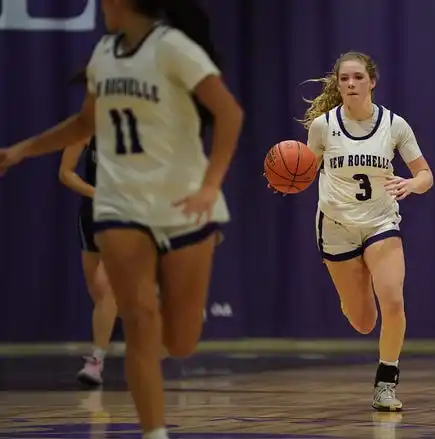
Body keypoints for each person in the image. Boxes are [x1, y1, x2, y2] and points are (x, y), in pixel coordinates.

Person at [0, 1, 244, 438]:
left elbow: (229, 113)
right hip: (119, 202)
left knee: (180, 341)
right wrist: (21, 150)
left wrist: (210, 186)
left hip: (181, 202)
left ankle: (173, 298)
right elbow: (83, 123)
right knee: (137, 320)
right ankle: (154, 433)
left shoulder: (174, 49)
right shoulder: (103, 53)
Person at [296, 51, 434, 412]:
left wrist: (411, 184)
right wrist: (288, 178)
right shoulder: (323, 127)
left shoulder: (394, 125)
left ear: (372, 81)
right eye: (345, 79)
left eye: (358, 77)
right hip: (337, 226)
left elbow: (426, 175)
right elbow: (304, 172)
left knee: (392, 299)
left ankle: (386, 383)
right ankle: (351, 295)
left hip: (380, 221)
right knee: (363, 321)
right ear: (338, 84)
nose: (351, 84)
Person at [59, 72, 117, 386]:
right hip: (91, 214)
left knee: (107, 291)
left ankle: (96, 362)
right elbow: (65, 173)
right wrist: (96, 193)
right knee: (100, 296)